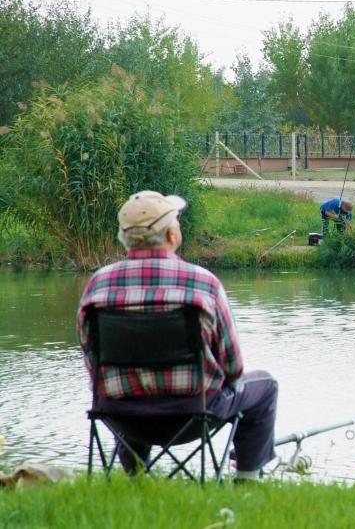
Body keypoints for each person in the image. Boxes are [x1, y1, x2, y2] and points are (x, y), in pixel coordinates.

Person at [77, 191, 278, 481]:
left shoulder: (98, 285)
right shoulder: (202, 283)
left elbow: (93, 366)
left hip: (123, 417)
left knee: (127, 384)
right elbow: (234, 369)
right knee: (266, 385)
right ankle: (247, 481)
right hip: (194, 413)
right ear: (172, 234)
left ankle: (135, 479)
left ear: (124, 237)